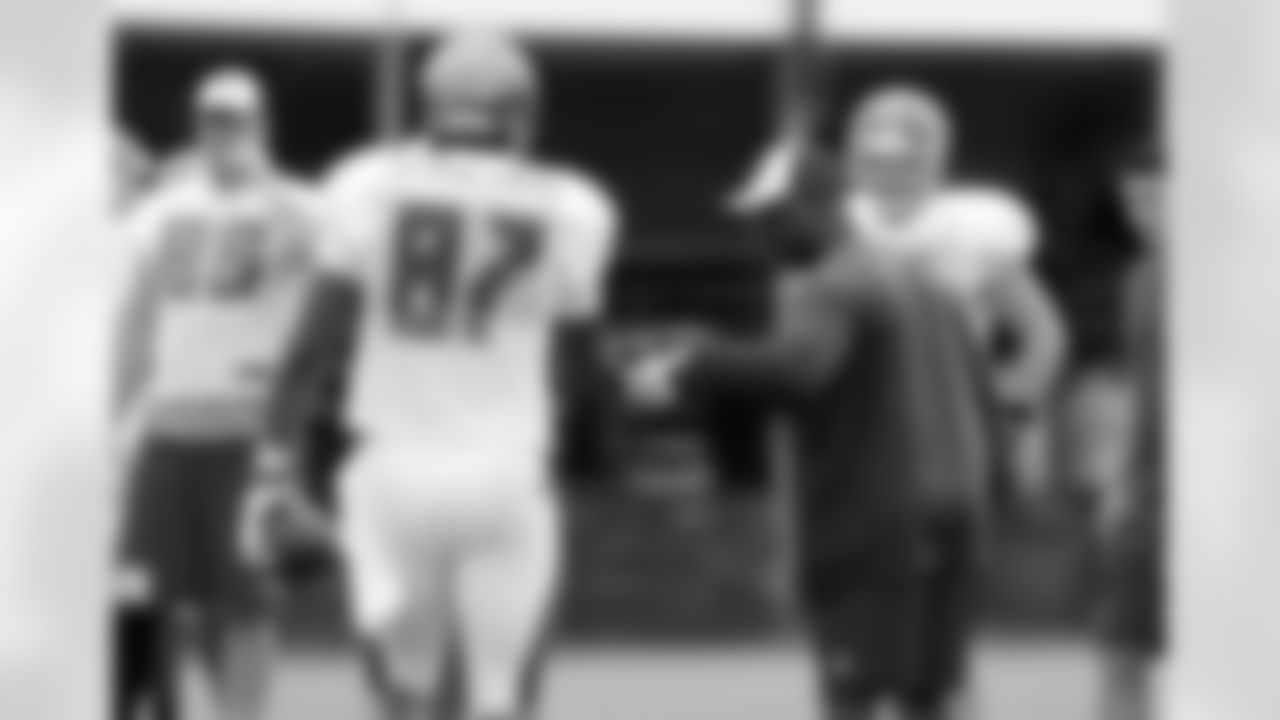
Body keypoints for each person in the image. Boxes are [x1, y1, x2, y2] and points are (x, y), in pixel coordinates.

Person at [248, 29, 619, 720]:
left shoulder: (368, 184)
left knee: (405, 699)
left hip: (391, 474)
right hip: (505, 470)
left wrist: (271, 470)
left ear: (430, 107)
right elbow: (583, 370)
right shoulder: (573, 207)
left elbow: (311, 346)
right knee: (501, 698)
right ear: (523, 113)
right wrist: (589, 453)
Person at [624, 133, 995, 720]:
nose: (760, 233)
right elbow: (981, 398)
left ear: (819, 206)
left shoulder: (832, 282)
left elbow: (797, 368)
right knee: (932, 699)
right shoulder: (927, 285)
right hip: (957, 516)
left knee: (852, 696)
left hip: (873, 526)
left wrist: (692, 363)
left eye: (772, 216)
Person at [115, 66, 321, 720]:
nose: (223, 134)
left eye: (237, 121)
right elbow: (139, 318)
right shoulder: (161, 211)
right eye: (212, 121)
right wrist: (117, 414)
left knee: (246, 600)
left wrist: (267, 182)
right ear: (196, 125)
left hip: (248, 429)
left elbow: (332, 283)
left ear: (264, 125)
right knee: (156, 595)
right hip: (170, 424)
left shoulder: (298, 207)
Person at [843, 84, 1066, 499]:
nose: (892, 177)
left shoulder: (975, 233)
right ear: (855, 162)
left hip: (952, 417)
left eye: (907, 163)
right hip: (858, 425)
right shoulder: (837, 231)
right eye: (877, 163)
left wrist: (1013, 401)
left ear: (936, 161)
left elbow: (1042, 332)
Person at [1098, 139, 1165, 720]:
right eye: (1132, 201)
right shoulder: (1140, 278)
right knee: (1121, 652)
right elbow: (1140, 388)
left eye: (1154, 198)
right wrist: (1119, 481)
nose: (1140, 215)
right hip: (1148, 497)